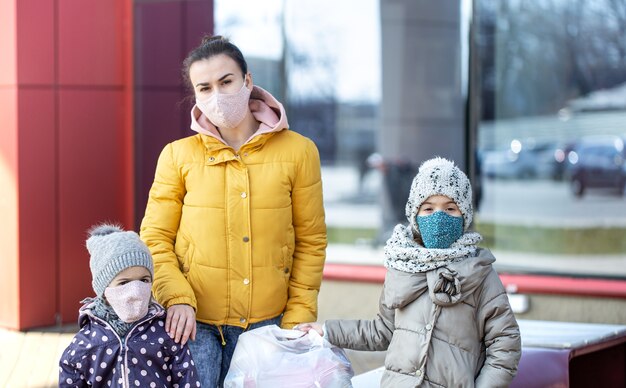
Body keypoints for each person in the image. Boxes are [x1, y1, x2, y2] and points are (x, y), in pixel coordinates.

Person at [140, 35, 327, 387]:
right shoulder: (177, 155)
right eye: (205, 87)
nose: (217, 95)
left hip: (268, 325)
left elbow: (311, 240)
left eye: (226, 81)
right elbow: (154, 238)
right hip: (193, 325)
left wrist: (299, 314)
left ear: (248, 81)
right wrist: (175, 297)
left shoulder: (300, 152)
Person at [297, 157, 521, 387]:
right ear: (415, 215)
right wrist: (328, 331)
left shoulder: (480, 273)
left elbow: (505, 345)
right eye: (428, 208)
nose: (439, 217)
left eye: (450, 208)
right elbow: (382, 331)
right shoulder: (401, 266)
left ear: (464, 215)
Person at [59, 224, 200, 387]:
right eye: (124, 282)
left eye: (144, 280)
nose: (135, 289)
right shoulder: (88, 341)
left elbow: (186, 378)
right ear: (103, 289)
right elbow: (70, 375)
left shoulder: (166, 334)